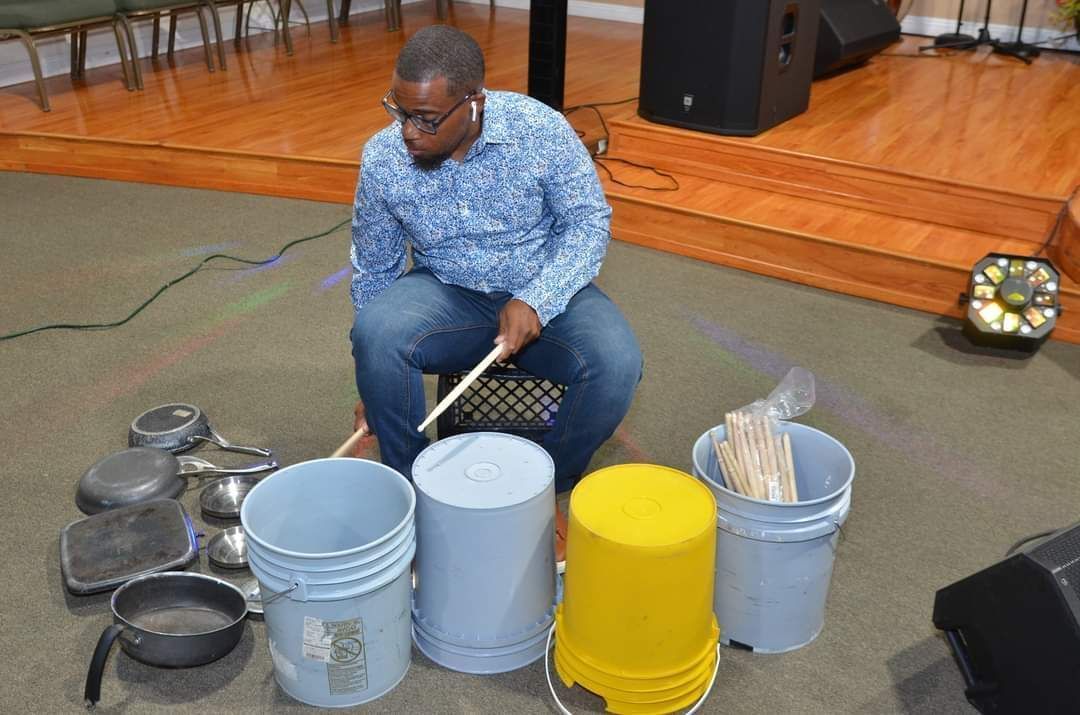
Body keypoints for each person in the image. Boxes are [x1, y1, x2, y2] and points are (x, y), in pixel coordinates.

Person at [348, 25, 641, 566]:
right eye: (399, 111)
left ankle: (542, 488)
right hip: (444, 291)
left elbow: (587, 223)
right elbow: (376, 265)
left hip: (543, 286)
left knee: (617, 363)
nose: (408, 132)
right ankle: (414, 492)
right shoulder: (384, 158)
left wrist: (538, 297)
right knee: (377, 334)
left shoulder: (539, 129)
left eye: (426, 118)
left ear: (474, 103)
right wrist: (373, 374)